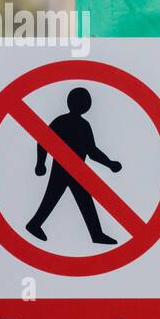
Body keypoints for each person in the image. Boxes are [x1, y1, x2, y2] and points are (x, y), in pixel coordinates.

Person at [25, 87, 123, 244]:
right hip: (64, 168)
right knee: (54, 198)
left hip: (77, 169)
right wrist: (40, 163)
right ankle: (35, 224)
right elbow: (44, 141)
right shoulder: (70, 123)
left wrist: (109, 163)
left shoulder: (77, 124)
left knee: (80, 200)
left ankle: (96, 234)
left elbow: (92, 151)